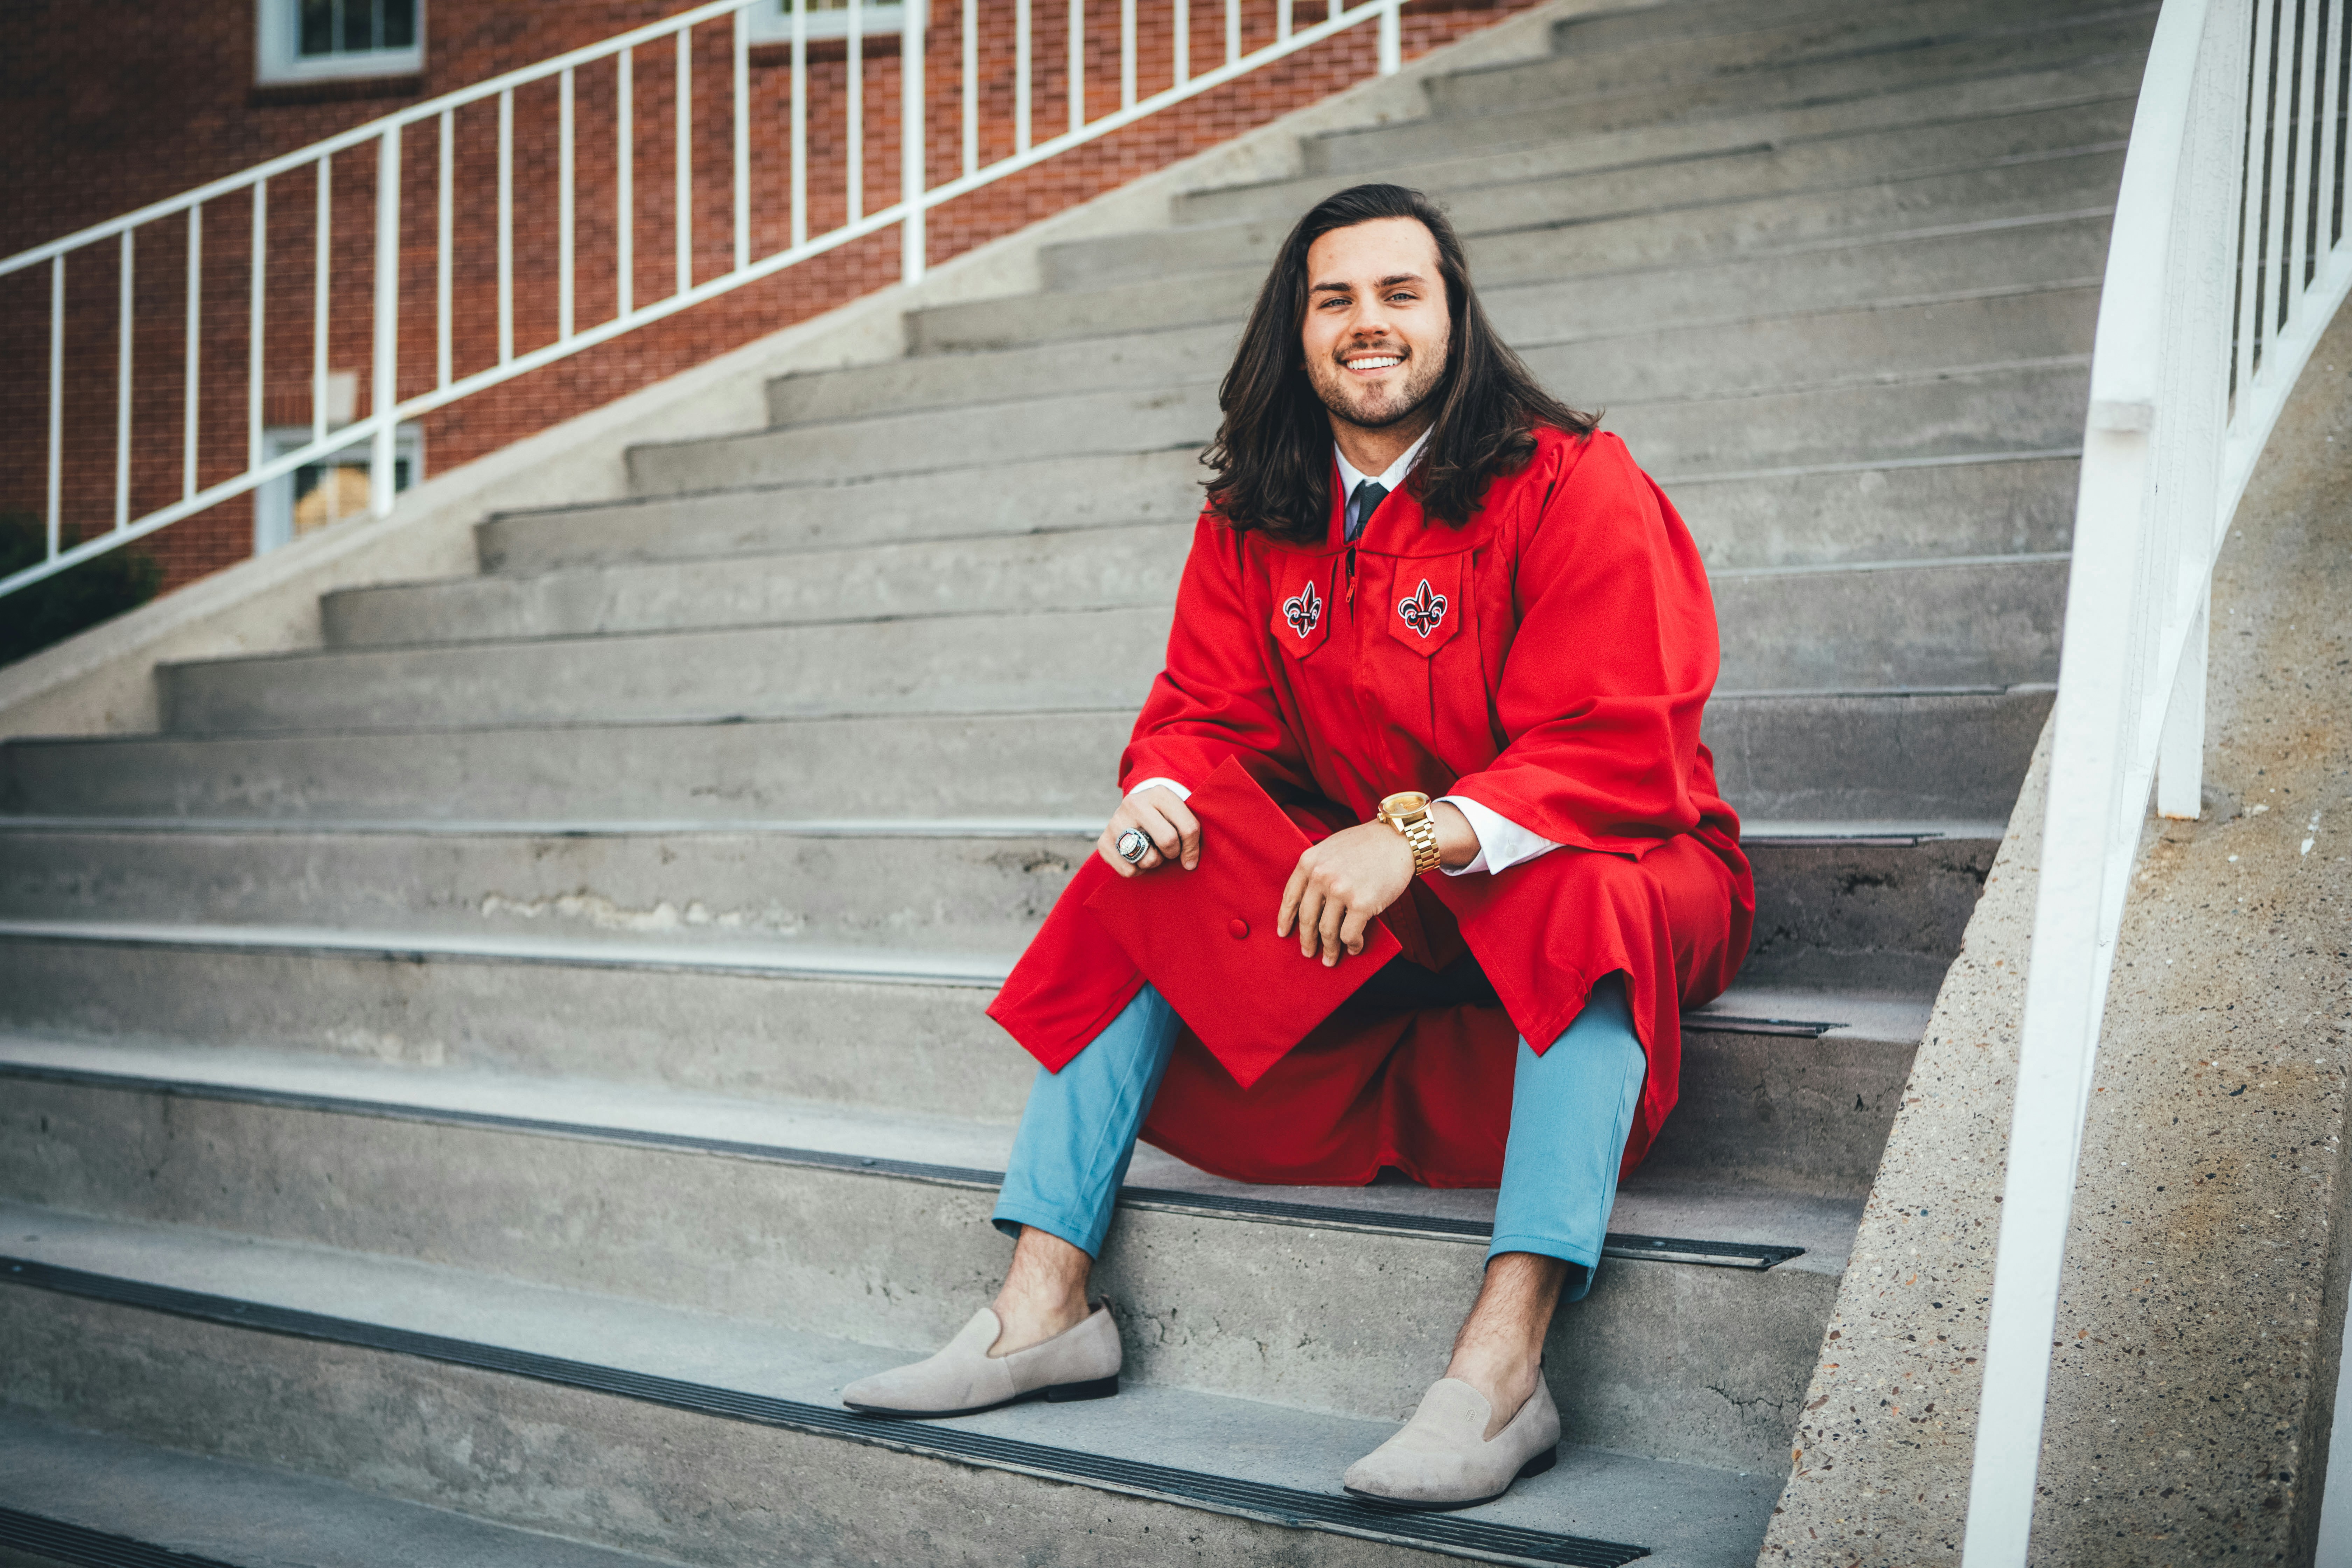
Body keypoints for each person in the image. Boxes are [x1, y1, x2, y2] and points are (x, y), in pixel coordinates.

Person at [841, 182, 1753, 1510]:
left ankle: (1502, 1371)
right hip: (1381, 894)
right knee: (1138, 873)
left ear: (1455, 314)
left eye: (1400, 293)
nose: (1367, 322)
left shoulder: (1566, 478)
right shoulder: (1259, 514)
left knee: (1587, 903)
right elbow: (1204, 719)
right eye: (1335, 299)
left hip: (1609, 852)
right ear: (1299, 328)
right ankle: (1045, 1306)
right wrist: (1163, 795)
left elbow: (1619, 732)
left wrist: (1424, 836)